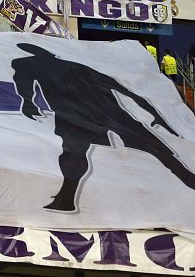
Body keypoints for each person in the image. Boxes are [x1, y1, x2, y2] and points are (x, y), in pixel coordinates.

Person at [13, 43, 189, 212]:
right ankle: (66, 198)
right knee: (74, 154)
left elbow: (122, 89)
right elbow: (124, 90)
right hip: (95, 114)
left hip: (90, 114)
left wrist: (29, 105)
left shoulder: (30, 65)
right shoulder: (68, 66)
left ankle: (66, 199)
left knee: (75, 154)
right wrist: (155, 115)